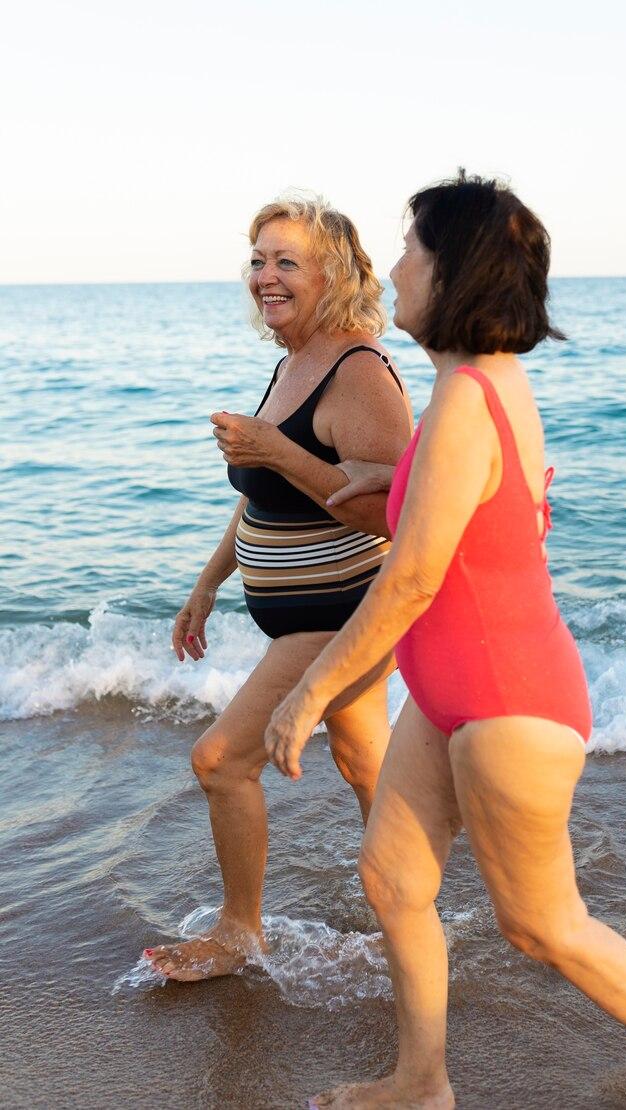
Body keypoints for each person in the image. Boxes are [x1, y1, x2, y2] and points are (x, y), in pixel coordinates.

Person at [265, 173, 626, 1109]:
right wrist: (388, 483)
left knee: (541, 923)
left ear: (455, 271)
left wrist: (308, 691)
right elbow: (477, 513)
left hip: (508, 702)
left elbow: (412, 580)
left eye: (411, 250)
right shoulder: (469, 389)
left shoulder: (469, 401)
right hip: (453, 695)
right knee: (393, 878)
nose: (393, 268)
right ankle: (422, 1082)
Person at [143, 196, 412, 980]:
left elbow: (390, 511)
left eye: (287, 261)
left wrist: (274, 449)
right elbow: (264, 497)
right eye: (259, 259)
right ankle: (411, 918)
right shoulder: (294, 361)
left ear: (334, 275)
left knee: (220, 761)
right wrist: (207, 584)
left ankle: (239, 934)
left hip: (345, 614)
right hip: (307, 615)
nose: (266, 275)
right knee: (364, 761)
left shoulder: (357, 370)